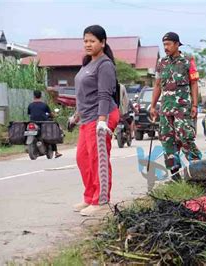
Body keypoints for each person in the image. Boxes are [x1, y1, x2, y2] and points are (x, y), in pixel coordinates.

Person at [71, 25, 120, 216]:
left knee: (98, 159)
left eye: (92, 41)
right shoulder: (87, 64)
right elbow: (83, 94)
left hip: (102, 116)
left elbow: (104, 94)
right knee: (83, 158)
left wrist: (102, 120)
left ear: (103, 42)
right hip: (86, 117)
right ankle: (89, 197)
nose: (88, 44)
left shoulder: (104, 64)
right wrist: (76, 115)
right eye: (85, 41)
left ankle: (101, 200)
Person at [149, 32, 202, 180]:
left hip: (182, 108)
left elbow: (194, 83)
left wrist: (195, 105)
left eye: (168, 44)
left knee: (185, 138)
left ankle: (199, 170)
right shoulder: (162, 63)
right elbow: (158, 85)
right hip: (165, 109)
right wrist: (153, 106)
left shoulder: (187, 61)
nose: (165, 47)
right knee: (167, 140)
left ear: (177, 44)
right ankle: (175, 175)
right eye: (164, 44)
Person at [27, 90, 62, 158]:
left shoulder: (30, 105)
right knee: (51, 134)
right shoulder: (44, 105)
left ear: (34, 96)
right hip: (44, 123)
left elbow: (29, 114)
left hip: (33, 123)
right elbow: (51, 114)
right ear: (41, 96)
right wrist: (54, 115)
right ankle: (56, 152)